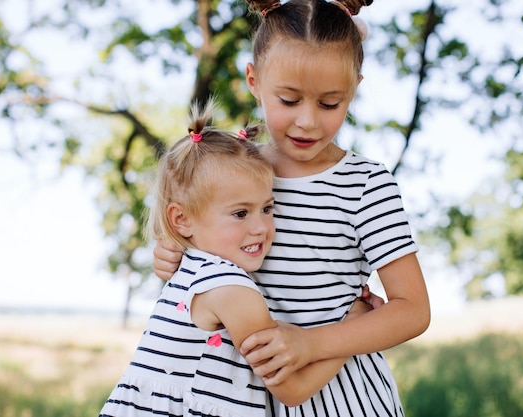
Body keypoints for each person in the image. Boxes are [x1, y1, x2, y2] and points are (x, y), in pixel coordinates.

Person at [152, 0, 431, 416]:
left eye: (330, 104)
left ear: (354, 87)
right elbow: (201, 249)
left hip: (347, 399)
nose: (307, 121)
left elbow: (413, 310)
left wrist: (311, 343)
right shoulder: (235, 171)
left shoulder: (365, 184)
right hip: (251, 399)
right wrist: (172, 254)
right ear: (253, 79)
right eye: (288, 99)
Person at [99, 101, 376, 417]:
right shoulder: (230, 288)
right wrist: (354, 323)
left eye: (267, 209)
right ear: (181, 219)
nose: (260, 227)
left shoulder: (190, 268)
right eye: (240, 213)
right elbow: (292, 389)